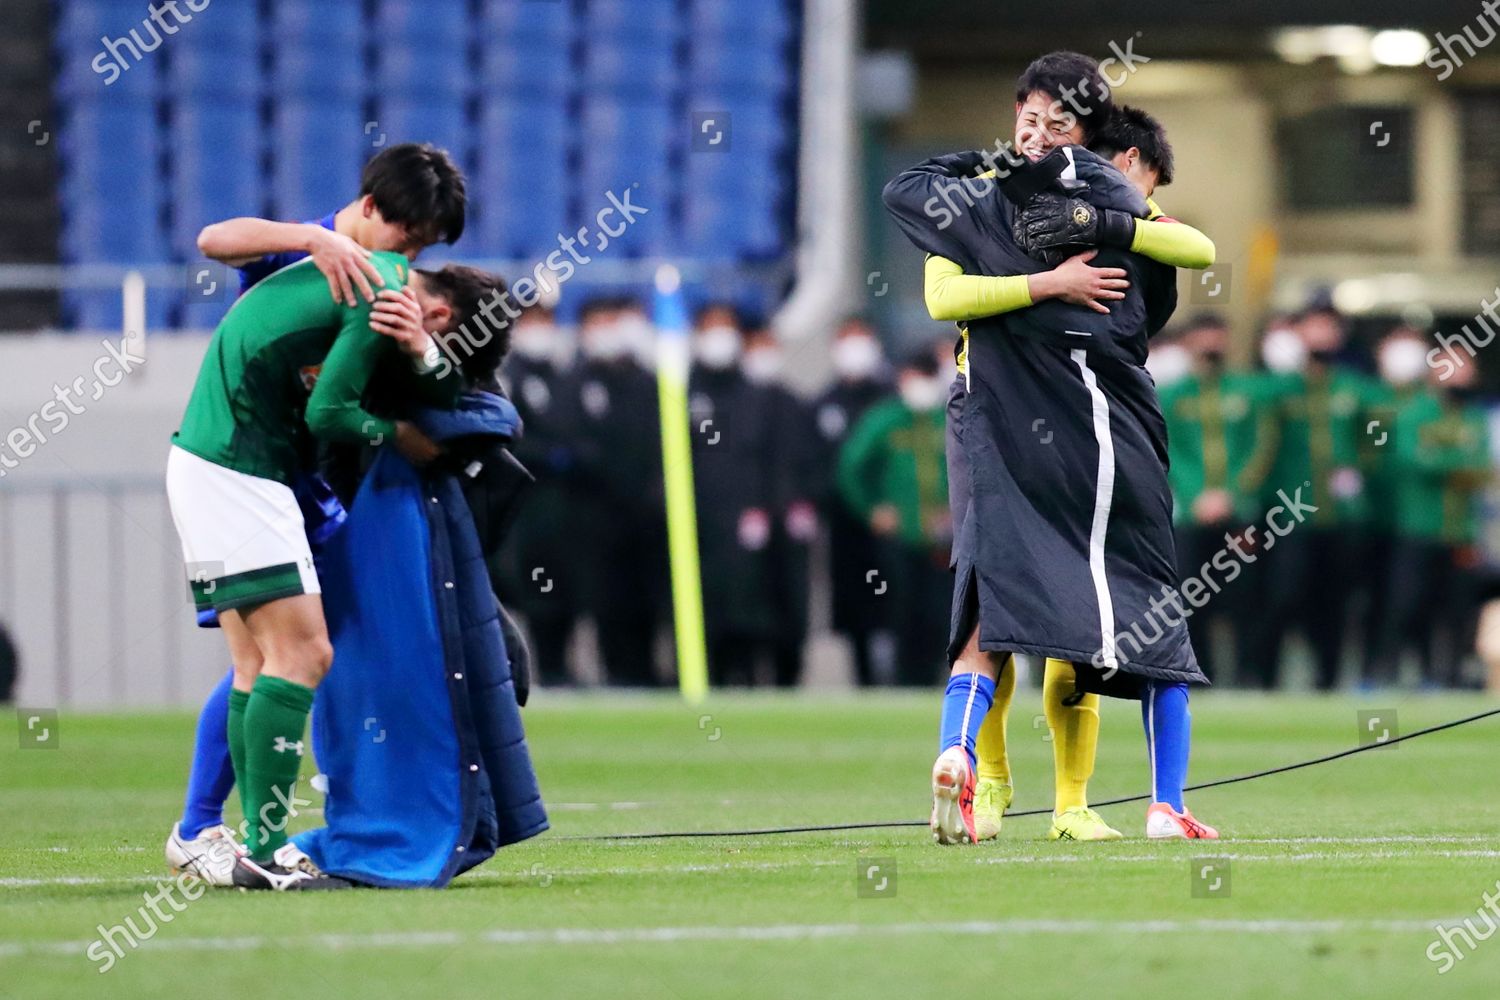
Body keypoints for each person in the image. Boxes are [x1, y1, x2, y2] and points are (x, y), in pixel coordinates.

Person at [886, 61, 1219, 845]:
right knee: (1085, 607)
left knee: (1023, 610)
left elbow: (1193, 248)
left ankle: (1035, 792)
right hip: (1018, 420)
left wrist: (1102, 228)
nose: (1036, 135)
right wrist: (1052, 281)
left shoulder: (1082, 204)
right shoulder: (988, 193)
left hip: (1055, 419)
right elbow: (944, 298)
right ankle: (1009, 788)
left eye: (1056, 126)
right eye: (1029, 121)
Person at [165, 144, 468, 884]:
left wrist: (424, 352)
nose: (414, 254)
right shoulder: (354, 265)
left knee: (254, 665)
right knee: (304, 656)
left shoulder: (372, 270)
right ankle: (262, 847)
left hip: (228, 463)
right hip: (244, 468)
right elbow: (333, 406)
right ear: (369, 209)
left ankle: (209, 836)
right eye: (411, 236)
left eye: (426, 246)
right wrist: (398, 434)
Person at [1253, 305, 1382, 690]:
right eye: (1314, 327)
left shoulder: (1354, 388)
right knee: (1282, 594)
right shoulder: (1278, 390)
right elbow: (1260, 447)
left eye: (1329, 327)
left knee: (1336, 601)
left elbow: (1378, 433)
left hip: (1340, 514)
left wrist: (1359, 465)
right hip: (1288, 512)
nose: (1322, 335)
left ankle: (1328, 680)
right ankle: (1265, 679)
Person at [1158, 315, 1279, 682]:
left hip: (1238, 511)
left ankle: (1246, 674)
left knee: (1245, 594)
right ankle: (1199, 671)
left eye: (1217, 337)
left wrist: (1232, 492)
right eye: (1203, 337)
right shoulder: (1171, 396)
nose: (1211, 345)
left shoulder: (1248, 392)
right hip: (1191, 514)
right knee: (1192, 594)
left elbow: (1262, 447)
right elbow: (1167, 450)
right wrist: (1197, 494)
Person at [1371, 348, 1491, 686]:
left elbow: (1482, 467)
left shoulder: (1475, 418)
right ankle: (1385, 672)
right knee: (1405, 604)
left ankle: (1448, 676)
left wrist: (1444, 460)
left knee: (1457, 608)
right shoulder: (1413, 414)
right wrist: (1457, 461)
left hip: (1460, 530)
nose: (1458, 374)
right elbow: (1413, 461)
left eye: (1464, 367)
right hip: (1419, 526)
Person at [837, 348, 952, 687]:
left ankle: (936, 679)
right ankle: (901, 681)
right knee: (900, 613)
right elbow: (850, 468)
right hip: (899, 537)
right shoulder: (884, 419)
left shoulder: (947, 418)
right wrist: (872, 509)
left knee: (940, 614)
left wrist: (957, 512)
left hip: (942, 539)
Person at [568, 297, 667, 686]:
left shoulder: (647, 382)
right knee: (608, 601)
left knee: (649, 598)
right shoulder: (577, 382)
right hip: (596, 514)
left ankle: (649, 669)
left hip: (646, 514)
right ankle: (617, 672)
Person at [688, 304, 780, 685]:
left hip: (745, 522)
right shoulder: (685, 393)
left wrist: (763, 507)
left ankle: (747, 675)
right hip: (698, 523)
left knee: (749, 602)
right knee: (703, 604)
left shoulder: (755, 396)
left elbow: (768, 458)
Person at [499, 305, 583, 686]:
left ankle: (562, 662)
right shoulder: (509, 377)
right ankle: (543, 665)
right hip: (529, 503)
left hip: (566, 504)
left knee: (567, 584)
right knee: (536, 586)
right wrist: (547, 455)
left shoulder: (564, 377)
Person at [812, 319, 896, 685]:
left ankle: (901, 675)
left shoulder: (891, 398)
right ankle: (864, 678)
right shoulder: (824, 403)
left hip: (893, 525)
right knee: (854, 605)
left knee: (895, 603)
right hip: (845, 525)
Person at [743, 326, 820, 687]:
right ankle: (746, 673)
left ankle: (789, 674)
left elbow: (811, 459)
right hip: (747, 523)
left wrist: (804, 503)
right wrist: (746, 507)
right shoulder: (735, 400)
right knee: (749, 599)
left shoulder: (794, 403)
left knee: (792, 599)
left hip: (790, 522)